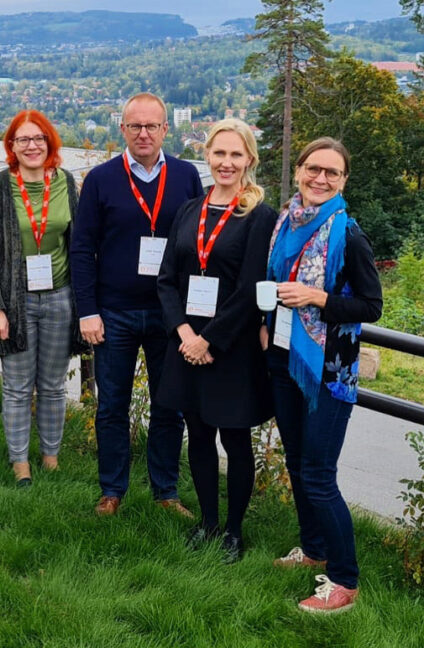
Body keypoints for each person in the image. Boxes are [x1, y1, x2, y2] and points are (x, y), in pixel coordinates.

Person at [70, 92, 204, 516]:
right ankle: (112, 490)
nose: (143, 134)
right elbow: (81, 248)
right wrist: (87, 311)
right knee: (112, 406)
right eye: (135, 126)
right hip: (115, 312)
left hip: (172, 316)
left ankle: (166, 492)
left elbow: (200, 246)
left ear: (166, 129)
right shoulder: (100, 179)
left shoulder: (186, 176)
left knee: (170, 405)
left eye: (152, 126)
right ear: (122, 129)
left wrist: (195, 317)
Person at [265, 138, 382, 613]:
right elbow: (273, 281)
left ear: (343, 181)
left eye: (332, 173)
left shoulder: (348, 234)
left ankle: (344, 580)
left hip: (329, 370)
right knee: (297, 463)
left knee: (317, 474)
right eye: (314, 169)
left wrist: (317, 298)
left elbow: (371, 305)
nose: (321, 179)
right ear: (298, 171)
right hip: (284, 357)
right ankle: (313, 548)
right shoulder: (283, 221)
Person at [157, 119, 276, 561]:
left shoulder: (258, 216)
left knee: (235, 440)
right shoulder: (190, 210)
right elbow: (167, 280)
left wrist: (209, 340)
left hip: (230, 348)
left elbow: (250, 289)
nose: (226, 163)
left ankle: (234, 531)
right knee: (199, 436)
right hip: (187, 344)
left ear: (249, 160)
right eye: (219, 153)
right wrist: (185, 334)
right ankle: (207, 523)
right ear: (206, 155)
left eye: (236, 155)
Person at [0, 110, 86, 486]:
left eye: (38, 138)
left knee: (54, 386)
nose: (32, 146)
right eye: (23, 140)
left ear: (50, 142)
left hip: (60, 297)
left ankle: (51, 456)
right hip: (15, 302)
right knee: (17, 387)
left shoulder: (66, 184)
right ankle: (20, 462)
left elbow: (78, 244)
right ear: (12, 146)